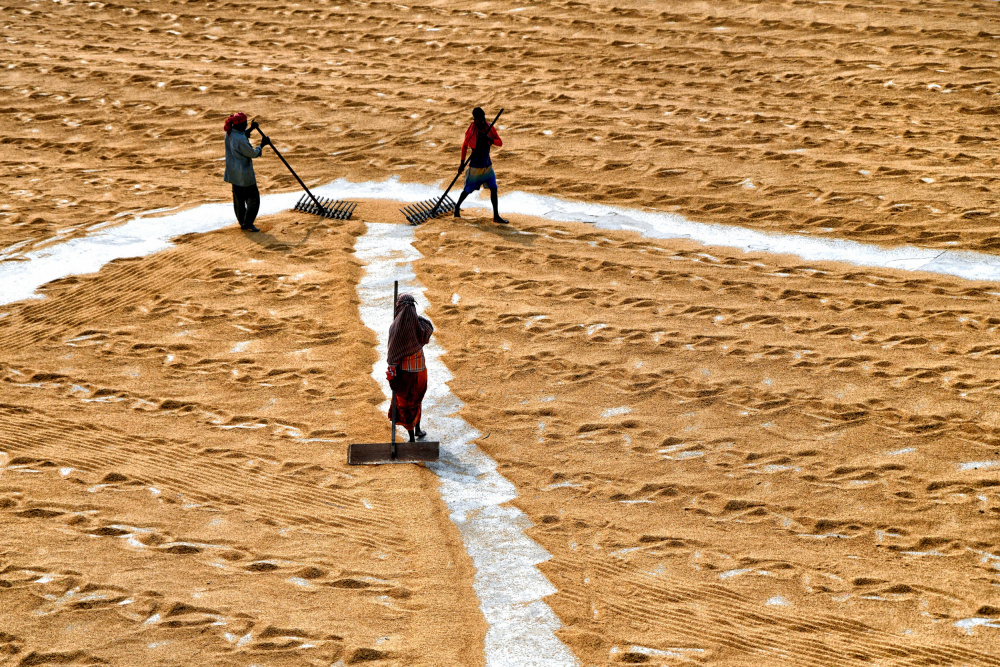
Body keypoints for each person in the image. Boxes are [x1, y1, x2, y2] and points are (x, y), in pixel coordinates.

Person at [386, 293, 434, 442]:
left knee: (406, 405)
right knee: (417, 401)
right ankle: (418, 430)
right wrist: (414, 318)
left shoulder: (396, 329)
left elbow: (393, 358)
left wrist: (392, 375)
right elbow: (429, 328)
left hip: (407, 376)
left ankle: (412, 438)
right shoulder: (419, 326)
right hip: (421, 373)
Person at [454, 107, 507, 224]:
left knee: (494, 188)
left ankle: (496, 216)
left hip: (487, 165)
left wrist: (489, 139)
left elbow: (500, 143)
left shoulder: (489, 128)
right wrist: (462, 163)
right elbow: (464, 146)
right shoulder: (472, 131)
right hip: (475, 167)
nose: (482, 122)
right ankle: (457, 207)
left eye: (483, 119)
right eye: (479, 120)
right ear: (475, 120)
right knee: (468, 190)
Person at [223, 112, 269, 232]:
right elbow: (252, 153)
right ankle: (248, 222)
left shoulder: (229, 133)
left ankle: (242, 221)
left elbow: (242, 135)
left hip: (233, 174)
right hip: (244, 174)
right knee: (253, 199)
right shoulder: (240, 139)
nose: (246, 125)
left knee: (239, 200)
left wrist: (251, 129)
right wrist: (262, 145)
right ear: (240, 124)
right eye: (245, 123)